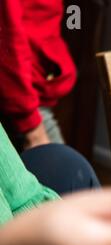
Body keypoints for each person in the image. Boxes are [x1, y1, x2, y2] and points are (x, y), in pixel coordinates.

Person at [0, 0, 76, 150]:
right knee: (65, 171)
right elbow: (7, 38)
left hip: (34, 93)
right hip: (21, 101)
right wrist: (32, 128)